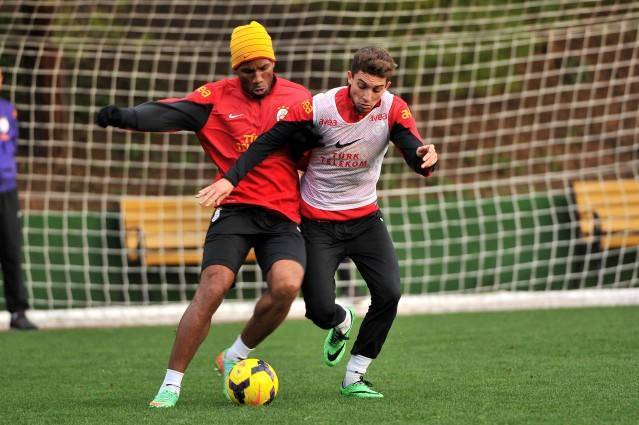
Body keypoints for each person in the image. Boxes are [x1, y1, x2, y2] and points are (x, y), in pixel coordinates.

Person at [198, 46, 438, 398]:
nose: (368, 96)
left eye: (377, 89)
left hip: (365, 219)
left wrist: (425, 158)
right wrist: (230, 180)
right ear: (349, 78)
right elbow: (267, 143)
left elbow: (413, 148)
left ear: (387, 87)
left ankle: (355, 375)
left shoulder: (393, 109)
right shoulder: (317, 108)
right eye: (361, 86)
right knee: (319, 310)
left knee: (389, 293)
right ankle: (341, 321)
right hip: (316, 222)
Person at [97, 21, 314, 408]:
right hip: (234, 210)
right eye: (247, 71)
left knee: (286, 287)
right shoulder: (215, 98)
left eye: (263, 68)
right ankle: (171, 384)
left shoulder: (299, 98)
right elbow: (168, 112)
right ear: (235, 69)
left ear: (274, 62)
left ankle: (236, 353)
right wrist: (125, 116)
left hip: (282, 213)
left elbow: (321, 143)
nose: (257, 77)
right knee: (213, 287)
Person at [0, 67, 38, 331]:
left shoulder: (8, 109)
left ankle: (18, 312)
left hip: (6, 189)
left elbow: (12, 146)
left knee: (11, 249)